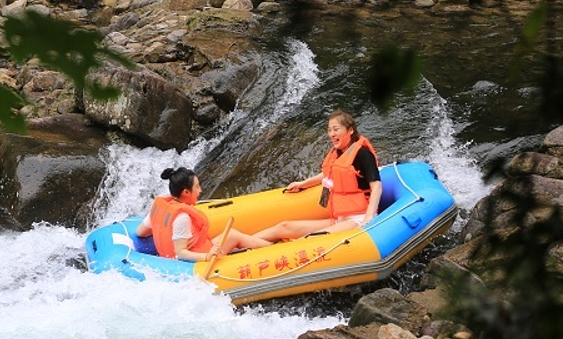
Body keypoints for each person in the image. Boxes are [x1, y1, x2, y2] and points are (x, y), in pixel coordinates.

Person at [256, 110, 382, 242]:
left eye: (336, 129)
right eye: (329, 130)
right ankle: (240, 244)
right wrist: (303, 184)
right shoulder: (337, 153)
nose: (331, 134)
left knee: (309, 239)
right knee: (284, 227)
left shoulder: (363, 154)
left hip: (358, 218)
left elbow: (377, 186)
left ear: (350, 130)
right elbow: (328, 174)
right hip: (340, 218)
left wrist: (368, 218)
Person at [136, 167, 273, 262]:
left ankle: (268, 244)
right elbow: (180, 253)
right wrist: (207, 256)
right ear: (186, 192)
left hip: (179, 256)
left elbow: (140, 232)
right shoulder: (182, 217)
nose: (200, 190)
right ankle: (275, 250)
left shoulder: (162, 207)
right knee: (233, 236)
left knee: (232, 235)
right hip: (192, 263)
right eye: (197, 187)